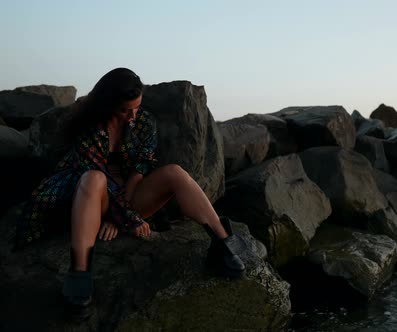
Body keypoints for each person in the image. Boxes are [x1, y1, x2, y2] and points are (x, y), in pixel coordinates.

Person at [14, 68, 245, 319]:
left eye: (137, 107)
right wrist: (126, 218)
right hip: (90, 199)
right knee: (94, 178)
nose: (133, 115)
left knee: (175, 173)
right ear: (108, 104)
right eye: (126, 110)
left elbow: (141, 167)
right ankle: (79, 272)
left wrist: (121, 216)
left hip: (124, 199)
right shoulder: (88, 126)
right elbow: (90, 170)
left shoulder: (144, 121)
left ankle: (224, 244)